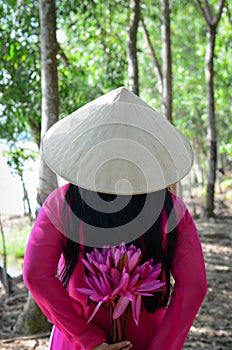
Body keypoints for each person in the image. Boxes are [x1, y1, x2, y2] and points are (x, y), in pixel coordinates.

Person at [23, 87, 207, 350]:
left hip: (77, 342)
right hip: (147, 341)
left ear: (90, 148)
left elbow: (34, 274)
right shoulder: (172, 209)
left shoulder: (63, 203)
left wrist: (86, 338)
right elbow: (195, 285)